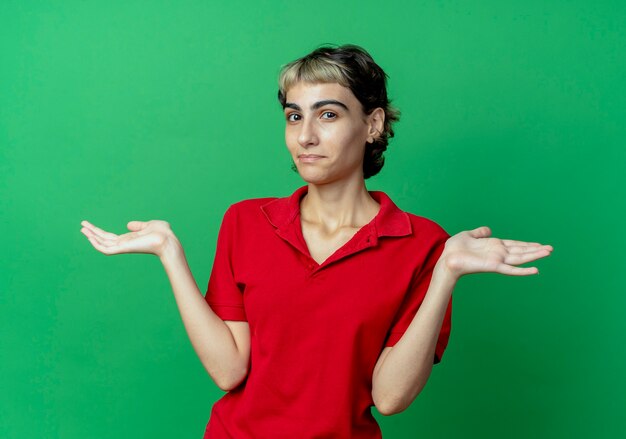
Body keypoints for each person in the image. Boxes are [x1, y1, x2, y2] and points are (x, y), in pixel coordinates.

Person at [80, 44, 553, 438]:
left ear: (372, 125)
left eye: (327, 114)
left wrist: (447, 273)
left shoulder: (424, 244)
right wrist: (170, 255)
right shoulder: (246, 221)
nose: (305, 136)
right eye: (293, 116)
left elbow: (389, 398)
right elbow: (229, 371)